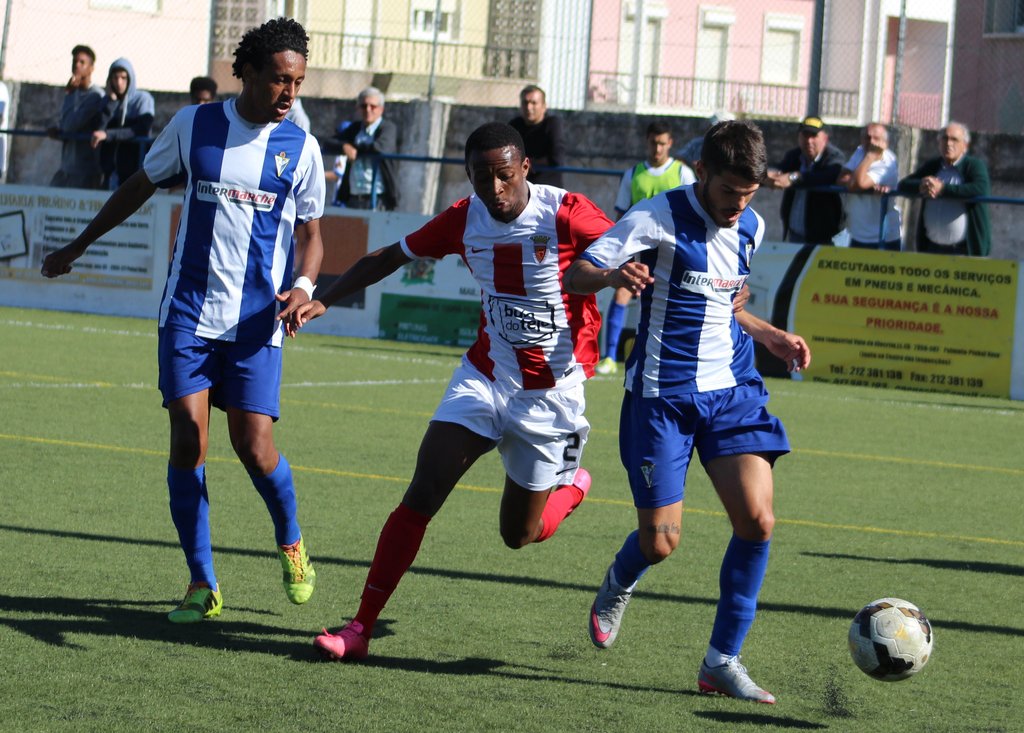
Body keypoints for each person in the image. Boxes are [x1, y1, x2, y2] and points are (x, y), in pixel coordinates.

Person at [41, 18, 326, 624]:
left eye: (298, 83)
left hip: (256, 323)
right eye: (280, 80)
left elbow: (312, 236)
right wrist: (78, 244)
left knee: (254, 448)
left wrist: (303, 286)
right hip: (188, 314)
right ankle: (202, 583)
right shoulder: (194, 125)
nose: (289, 93)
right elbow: (139, 185)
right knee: (188, 441)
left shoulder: (300, 146)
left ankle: (291, 540)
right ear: (247, 72)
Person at [299, 122, 612, 661]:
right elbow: (389, 256)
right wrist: (326, 297)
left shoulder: (566, 213)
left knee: (518, 534)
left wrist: (633, 271)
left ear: (525, 168)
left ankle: (572, 489)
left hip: (551, 396)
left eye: (504, 175)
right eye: (481, 177)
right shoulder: (464, 219)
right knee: (423, 490)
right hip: (486, 377)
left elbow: (634, 245)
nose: (495, 188)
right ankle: (360, 628)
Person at [564, 120, 811, 704]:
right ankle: (621, 578)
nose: (737, 206)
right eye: (728, 192)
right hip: (663, 397)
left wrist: (770, 334)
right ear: (702, 172)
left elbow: (724, 303)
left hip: (732, 389)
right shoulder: (655, 216)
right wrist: (614, 274)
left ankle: (722, 661)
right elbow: (576, 273)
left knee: (758, 521)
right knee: (661, 544)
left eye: (748, 195)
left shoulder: (751, 225)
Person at [596, 121, 697, 376]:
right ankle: (609, 357)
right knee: (621, 294)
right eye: (653, 142)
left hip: (671, 253)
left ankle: (670, 358)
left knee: (668, 304)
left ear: (670, 143)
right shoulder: (633, 174)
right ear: (647, 141)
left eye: (662, 143)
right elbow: (621, 215)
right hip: (639, 250)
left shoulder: (683, 173)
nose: (657, 148)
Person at [897, 121, 991, 257]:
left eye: (954, 139)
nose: (948, 143)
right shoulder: (933, 166)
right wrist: (921, 186)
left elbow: (980, 189)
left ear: (965, 146)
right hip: (931, 248)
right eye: (944, 138)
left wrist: (943, 189)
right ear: (939, 143)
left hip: (963, 251)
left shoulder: (973, 165)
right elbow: (903, 185)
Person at [762, 115, 845, 244]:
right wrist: (768, 175)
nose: (809, 141)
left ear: (825, 138)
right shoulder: (794, 155)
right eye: (805, 135)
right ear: (799, 137)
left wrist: (795, 177)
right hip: (795, 233)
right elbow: (780, 169)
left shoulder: (834, 157)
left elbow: (828, 175)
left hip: (824, 237)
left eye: (814, 135)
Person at [837, 122, 902, 250]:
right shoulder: (860, 151)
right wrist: (860, 183)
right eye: (867, 137)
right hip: (855, 234)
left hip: (882, 237)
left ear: (885, 143)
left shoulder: (888, 162)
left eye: (876, 138)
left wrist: (870, 157)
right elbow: (841, 179)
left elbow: (857, 185)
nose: (871, 142)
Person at [92, 57, 155, 189]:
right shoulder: (107, 101)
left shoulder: (142, 99)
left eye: (123, 78)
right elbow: (99, 131)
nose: (119, 82)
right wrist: (111, 103)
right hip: (109, 173)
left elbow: (141, 129)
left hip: (134, 171)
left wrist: (109, 135)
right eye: (115, 78)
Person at [48, 44, 104, 189]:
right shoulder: (73, 92)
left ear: (91, 68)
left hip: (84, 172)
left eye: (82, 62)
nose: (77, 65)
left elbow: (69, 126)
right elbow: (62, 121)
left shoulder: (95, 96)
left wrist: (70, 94)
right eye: (74, 62)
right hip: (66, 168)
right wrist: (57, 131)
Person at [332, 87, 398, 210]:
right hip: (353, 196)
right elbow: (329, 142)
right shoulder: (355, 128)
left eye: (373, 106)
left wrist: (354, 149)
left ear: (381, 109)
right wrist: (344, 146)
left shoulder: (388, 128)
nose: (368, 110)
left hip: (377, 197)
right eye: (364, 106)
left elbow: (381, 147)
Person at [509, 85, 565, 187]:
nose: (529, 107)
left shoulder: (552, 124)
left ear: (544, 106)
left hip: (547, 188)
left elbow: (557, 159)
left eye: (534, 103)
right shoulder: (514, 125)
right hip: (521, 187)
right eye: (525, 103)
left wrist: (530, 163)